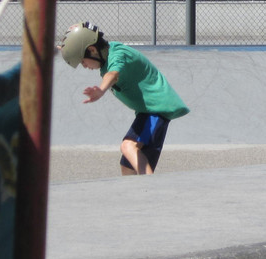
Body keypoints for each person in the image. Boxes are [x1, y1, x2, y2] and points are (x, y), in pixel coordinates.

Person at [58, 22, 189, 175]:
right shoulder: (108, 56)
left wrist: (101, 90)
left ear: (92, 50)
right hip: (148, 112)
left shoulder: (117, 54)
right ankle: (139, 196)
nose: (84, 66)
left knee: (128, 146)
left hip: (156, 109)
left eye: (82, 61)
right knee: (128, 167)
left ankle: (154, 189)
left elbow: (113, 74)